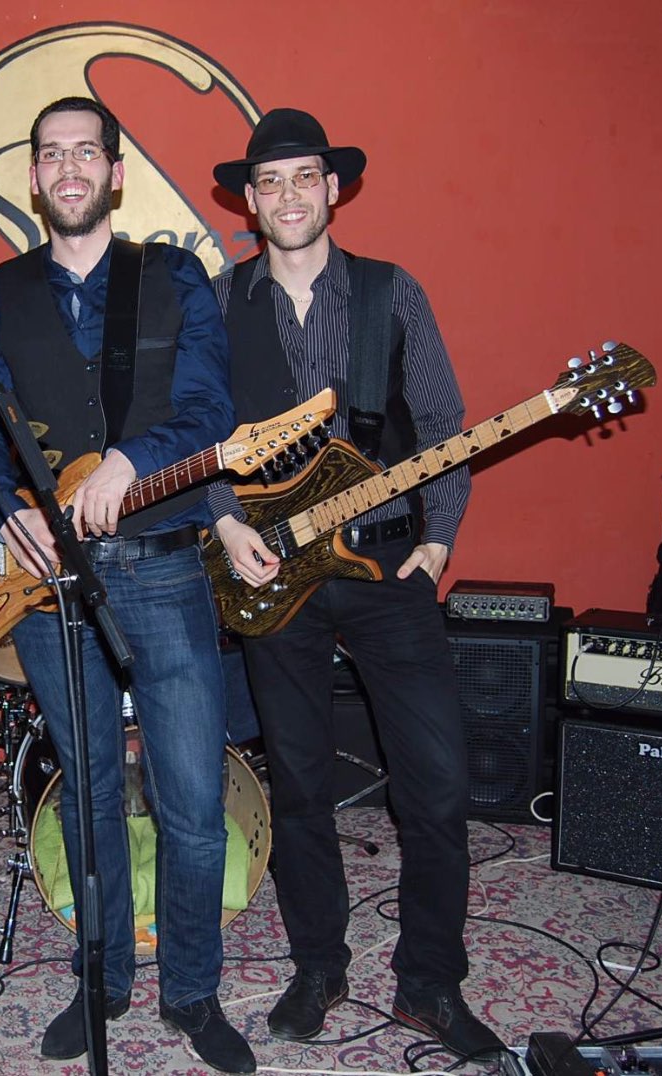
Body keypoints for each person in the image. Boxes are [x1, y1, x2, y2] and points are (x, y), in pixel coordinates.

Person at [0, 97, 255, 1074]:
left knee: (189, 800)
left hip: (162, 565)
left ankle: (191, 990)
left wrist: (130, 459)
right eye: (51, 154)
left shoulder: (171, 275)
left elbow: (210, 409)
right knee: (85, 797)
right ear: (34, 177)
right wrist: (7, 510)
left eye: (85, 151)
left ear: (115, 172)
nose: (69, 168)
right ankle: (102, 980)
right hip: (49, 585)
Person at [207, 108, 503, 1061]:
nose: (288, 195)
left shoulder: (389, 290)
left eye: (305, 177)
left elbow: (447, 425)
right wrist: (223, 522)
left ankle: (430, 982)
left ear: (334, 188)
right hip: (272, 569)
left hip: (386, 564)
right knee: (298, 785)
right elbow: (194, 433)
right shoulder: (218, 301)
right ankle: (318, 965)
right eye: (269, 182)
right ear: (250, 202)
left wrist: (439, 542)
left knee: (438, 784)